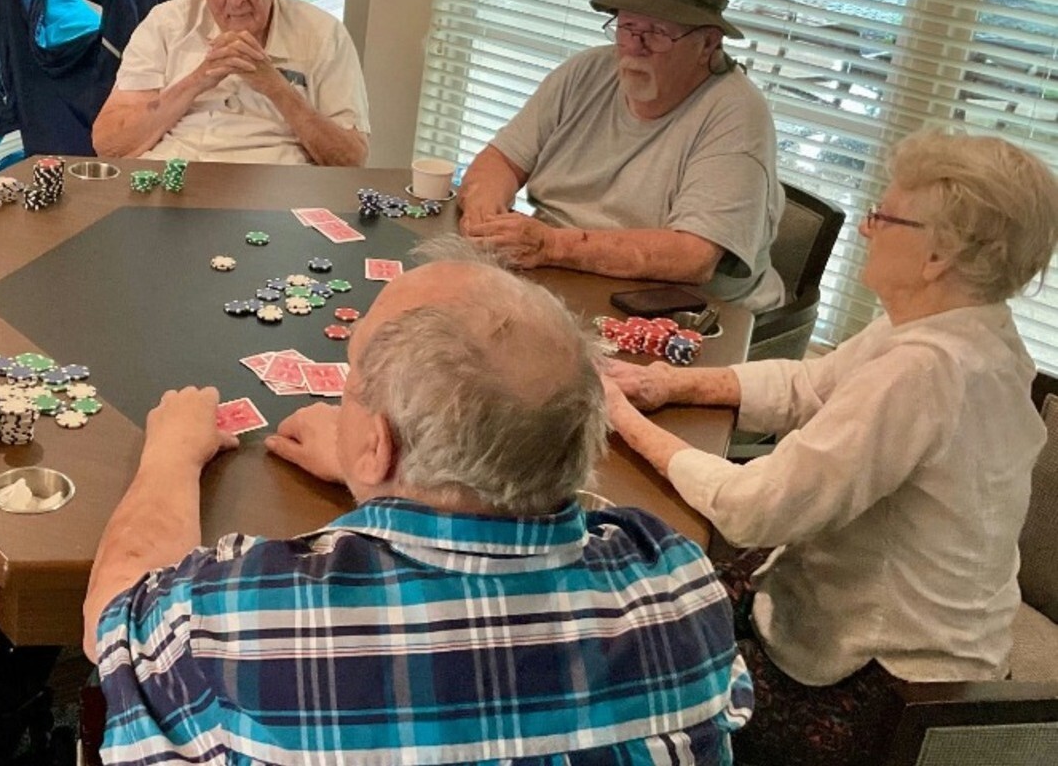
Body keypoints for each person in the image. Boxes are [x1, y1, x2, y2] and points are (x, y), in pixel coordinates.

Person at [84, 241, 752, 764]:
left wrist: (171, 450)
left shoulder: (246, 624)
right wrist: (373, 465)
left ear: (377, 443)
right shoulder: (681, 578)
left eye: (351, 376)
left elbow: (113, 616)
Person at [604, 131, 1058, 766]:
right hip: (877, 630)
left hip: (888, 686)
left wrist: (621, 417)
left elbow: (755, 508)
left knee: (639, 670)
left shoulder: (926, 371)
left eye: (885, 216)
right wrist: (666, 382)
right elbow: (809, 384)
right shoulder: (960, 326)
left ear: (938, 255)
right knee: (663, 600)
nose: (868, 229)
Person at [458, 0, 784, 311]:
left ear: (708, 43)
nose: (634, 47)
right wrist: (484, 217)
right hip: (564, 276)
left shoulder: (735, 113)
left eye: (657, 33)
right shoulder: (586, 72)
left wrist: (552, 245)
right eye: (627, 27)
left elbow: (694, 256)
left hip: (680, 306)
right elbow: (500, 160)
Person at [92, 0, 370, 166]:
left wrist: (277, 88)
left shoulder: (323, 33)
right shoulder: (165, 24)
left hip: (275, 195)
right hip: (173, 184)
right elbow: (109, 144)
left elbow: (351, 160)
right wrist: (199, 79)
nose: (235, 0)